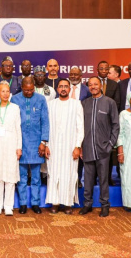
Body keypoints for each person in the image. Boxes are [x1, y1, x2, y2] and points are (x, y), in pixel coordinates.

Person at [80, 77, 119, 217]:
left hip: (104, 149)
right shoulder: (84, 104)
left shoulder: (109, 102)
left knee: (103, 178)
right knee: (88, 178)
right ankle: (87, 204)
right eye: (90, 85)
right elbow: (79, 126)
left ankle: (104, 205)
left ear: (101, 85)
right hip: (88, 148)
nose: (93, 87)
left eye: (95, 84)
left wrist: (110, 144)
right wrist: (81, 146)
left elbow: (115, 125)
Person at [11, 77, 49, 214]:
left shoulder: (40, 99)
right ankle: (22, 204)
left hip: (36, 143)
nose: (29, 92)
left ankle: (35, 203)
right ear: (21, 87)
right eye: (26, 90)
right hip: (20, 143)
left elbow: (45, 121)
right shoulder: (14, 99)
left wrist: (43, 142)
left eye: (31, 90)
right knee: (20, 176)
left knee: (36, 177)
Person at [46, 79, 84, 214]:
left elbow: (80, 127)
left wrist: (77, 146)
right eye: (61, 86)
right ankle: (55, 203)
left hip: (70, 146)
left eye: (65, 87)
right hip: (54, 145)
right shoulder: (51, 105)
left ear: (69, 89)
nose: (63, 89)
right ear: (57, 89)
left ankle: (68, 203)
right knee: (54, 173)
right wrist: (46, 144)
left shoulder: (76, 104)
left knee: (69, 174)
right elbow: (47, 126)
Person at [0, 82, 22, 216]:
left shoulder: (15, 108)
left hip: (11, 142)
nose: (5, 94)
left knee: (10, 174)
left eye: (7, 91)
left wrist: (19, 147)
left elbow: (18, 128)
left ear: (10, 93)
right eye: (2, 91)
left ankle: (9, 205)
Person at [97, 61, 121, 185]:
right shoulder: (92, 82)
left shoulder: (114, 84)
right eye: (101, 68)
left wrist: (108, 115)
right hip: (95, 121)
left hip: (109, 120)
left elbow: (117, 102)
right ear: (97, 70)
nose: (104, 70)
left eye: (106, 69)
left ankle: (108, 177)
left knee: (109, 150)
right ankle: (97, 177)